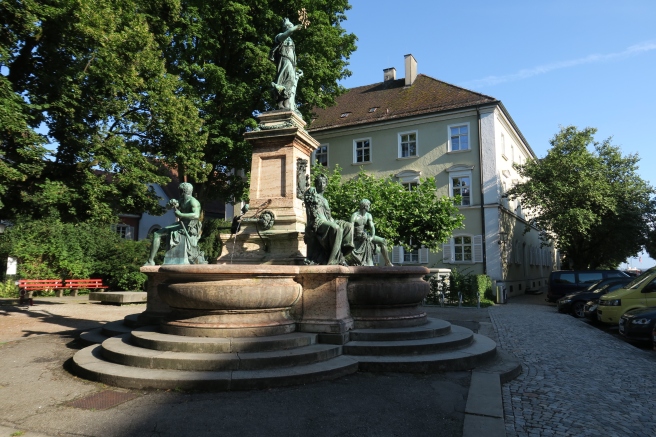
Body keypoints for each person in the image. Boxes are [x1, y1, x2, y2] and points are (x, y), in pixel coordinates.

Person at [144, 182, 206, 265]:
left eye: (180, 191)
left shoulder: (193, 202)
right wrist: (171, 203)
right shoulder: (181, 200)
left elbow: (196, 215)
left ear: (183, 191)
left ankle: (150, 260)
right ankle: (150, 260)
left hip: (191, 226)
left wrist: (181, 214)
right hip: (181, 224)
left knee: (158, 234)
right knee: (157, 234)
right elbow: (168, 207)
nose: (179, 193)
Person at [304, 174, 354, 265]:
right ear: (316, 184)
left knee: (348, 226)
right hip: (318, 221)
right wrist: (311, 190)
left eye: (323, 183)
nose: (321, 185)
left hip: (328, 220)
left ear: (326, 185)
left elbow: (329, 216)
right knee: (336, 228)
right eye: (319, 183)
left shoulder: (325, 200)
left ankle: (341, 254)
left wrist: (336, 221)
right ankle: (334, 260)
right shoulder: (312, 193)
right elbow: (308, 197)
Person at [270, 18, 303, 111]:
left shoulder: (291, 40)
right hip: (284, 60)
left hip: (291, 63)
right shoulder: (280, 36)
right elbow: (284, 35)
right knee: (285, 78)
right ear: (286, 28)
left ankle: (286, 101)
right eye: (290, 28)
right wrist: (294, 28)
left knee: (291, 81)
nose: (292, 30)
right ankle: (280, 102)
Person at [348, 199, 393, 266]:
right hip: (356, 236)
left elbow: (372, 227)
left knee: (383, 241)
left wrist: (371, 237)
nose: (369, 207)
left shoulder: (368, 215)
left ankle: (388, 262)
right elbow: (350, 228)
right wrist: (352, 239)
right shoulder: (355, 215)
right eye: (369, 206)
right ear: (365, 206)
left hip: (365, 235)